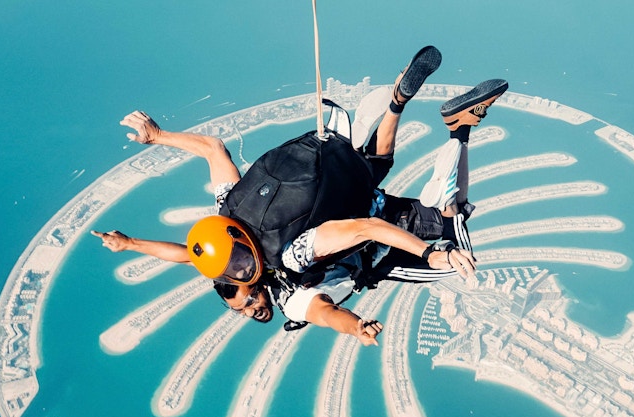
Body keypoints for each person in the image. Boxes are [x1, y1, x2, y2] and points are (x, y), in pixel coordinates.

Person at [94, 47, 508, 345]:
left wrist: (425, 258)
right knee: (375, 164)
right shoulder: (230, 211)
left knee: (455, 235)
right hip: (348, 190)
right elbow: (210, 157)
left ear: (250, 279)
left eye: (244, 303)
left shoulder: (289, 265)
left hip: (378, 237)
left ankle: (459, 129)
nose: (250, 310)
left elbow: (325, 307)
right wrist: (159, 140)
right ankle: (398, 102)